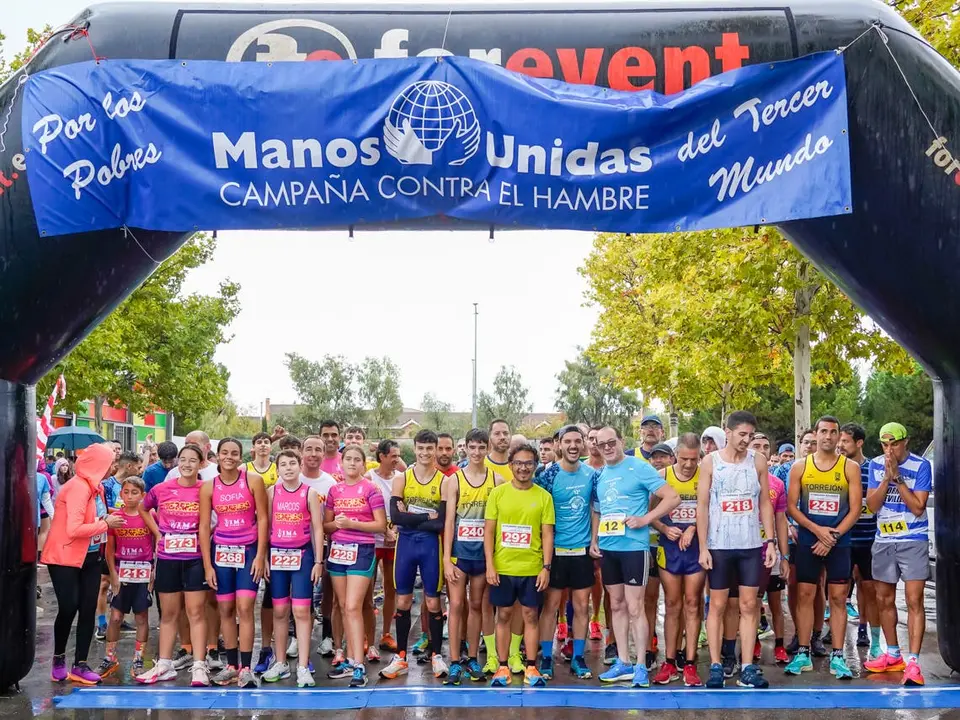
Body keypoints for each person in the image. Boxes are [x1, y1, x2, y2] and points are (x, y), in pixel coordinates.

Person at [591, 426, 680, 688]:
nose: (607, 448)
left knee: (635, 607)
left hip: (633, 548)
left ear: (621, 441)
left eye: (611, 442)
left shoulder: (639, 467)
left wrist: (646, 519)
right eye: (602, 444)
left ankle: (641, 664)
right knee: (616, 605)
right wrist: (594, 540)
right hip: (609, 547)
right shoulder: (601, 474)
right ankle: (623, 662)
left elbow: (672, 497)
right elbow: (598, 510)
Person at [697, 411, 776, 690]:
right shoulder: (711, 462)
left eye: (750, 435)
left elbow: (765, 503)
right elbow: (702, 506)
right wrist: (703, 547)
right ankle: (716, 665)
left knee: (749, 605)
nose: (746, 440)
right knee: (718, 605)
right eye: (742, 434)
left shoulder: (758, 461)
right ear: (727, 432)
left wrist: (770, 542)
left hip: (750, 545)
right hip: (719, 545)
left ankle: (747, 667)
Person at [785, 416, 862, 680]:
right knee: (805, 595)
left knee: (838, 598)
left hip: (839, 543)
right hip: (809, 541)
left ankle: (838, 656)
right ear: (816, 434)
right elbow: (792, 506)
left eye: (833, 432)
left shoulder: (850, 467)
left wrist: (832, 536)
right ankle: (803, 651)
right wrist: (818, 531)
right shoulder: (800, 467)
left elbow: (855, 509)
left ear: (839, 435)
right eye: (824, 431)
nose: (828, 436)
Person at [43, 443, 126, 685]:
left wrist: (107, 517)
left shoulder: (96, 487)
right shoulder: (78, 487)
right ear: (97, 464)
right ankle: (58, 659)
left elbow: (93, 518)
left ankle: (80, 664)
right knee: (69, 607)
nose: (113, 467)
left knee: (88, 609)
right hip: (65, 558)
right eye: (110, 462)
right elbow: (74, 529)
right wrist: (106, 523)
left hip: (91, 557)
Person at [136, 444, 211, 686]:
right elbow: (143, 508)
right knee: (168, 614)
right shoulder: (162, 488)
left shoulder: (206, 489)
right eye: (183, 459)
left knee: (195, 612)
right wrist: (158, 533)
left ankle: (199, 665)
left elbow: (214, 520)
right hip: (168, 559)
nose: (187, 464)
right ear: (178, 462)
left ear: (201, 464)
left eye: (193, 460)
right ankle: (164, 664)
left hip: (195, 559)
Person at [864, 422, 932, 686]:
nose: (889, 450)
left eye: (894, 444)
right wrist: (885, 478)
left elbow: (918, 506)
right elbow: (872, 506)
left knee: (914, 600)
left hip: (913, 538)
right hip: (884, 539)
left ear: (906, 442)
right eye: (884, 444)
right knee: (884, 599)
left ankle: (913, 661)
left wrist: (898, 478)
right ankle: (893, 654)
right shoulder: (875, 465)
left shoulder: (921, 465)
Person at [380, 430, 449, 680]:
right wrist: (425, 516)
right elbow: (397, 518)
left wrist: (411, 517)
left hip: (430, 545)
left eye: (430, 448)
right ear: (415, 448)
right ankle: (401, 657)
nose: (425, 453)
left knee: (433, 602)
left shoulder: (444, 481)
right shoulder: (402, 478)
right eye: (421, 448)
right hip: (406, 545)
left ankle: (436, 655)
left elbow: (440, 522)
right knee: (403, 601)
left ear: (435, 450)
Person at [200, 438, 269, 688]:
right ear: (217, 456)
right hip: (221, 552)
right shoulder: (209, 487)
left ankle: (246, 668)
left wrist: (260, 555)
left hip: (248, 550)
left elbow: (263, 519)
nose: (229, 457)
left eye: (234, 453)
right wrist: (207, 565)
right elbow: (204, 526)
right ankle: (231, 665)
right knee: (226, 609)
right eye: (225, 453)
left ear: (241, 457)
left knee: (245, 607)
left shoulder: (253, 481)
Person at [485, 443, 555, 688]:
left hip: (532, 569)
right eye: (518, 463)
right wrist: (490, 565)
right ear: (510, 465)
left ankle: (532, 667)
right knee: (503, 615)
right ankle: (502, 666)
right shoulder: (498, 494)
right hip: (503, 567)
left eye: (528, 463)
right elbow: (489, 532)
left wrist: (546, 567)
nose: (523, 468)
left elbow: (547, 534)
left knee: (531, 616)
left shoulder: (544, 497)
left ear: (535, 466)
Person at [534, 425, 594, 681]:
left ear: (583, 444)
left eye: (577, 441)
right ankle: (547, 657)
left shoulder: (591, 474)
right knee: (550, 606)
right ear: (559, 444)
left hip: (582, 550)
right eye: (567, 441)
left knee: (581, 606)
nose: (573, 446)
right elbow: (538, 512)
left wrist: (595, 540)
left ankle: (578, 657)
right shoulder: (548, 475)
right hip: (555, 552)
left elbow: (596, 508)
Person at [324, 445, 387, 688]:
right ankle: (350, 660)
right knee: (342, 606)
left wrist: (353, 524)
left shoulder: (371, 489)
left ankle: (359, 665)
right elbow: (326, 525)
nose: (352, 463)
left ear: (363, 463)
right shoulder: (334, 490)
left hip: (362, 550)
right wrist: (337, 525)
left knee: (353, 606)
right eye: (348, 459)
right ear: (341, 463)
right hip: (338, 551)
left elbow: (380, 525)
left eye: (356, 459)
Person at [444, 428, 504, 684]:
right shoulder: (454, 480)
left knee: (478, 605)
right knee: (457, 605)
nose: (477, 452)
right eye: (473, 447)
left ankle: (471, 658)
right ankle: (454, 661)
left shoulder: (497, 480)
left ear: (487, 448)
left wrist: (493, 560)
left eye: (481, 447)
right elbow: (449, 522)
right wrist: (446, 559)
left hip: (482, 555)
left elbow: (499, 522)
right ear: (465, 448)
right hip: (460, 554)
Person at [261, 450, 324, 687]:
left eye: (292, 463)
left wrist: (318, 562)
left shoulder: (310, 493)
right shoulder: (271, 492)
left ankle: (303, 666)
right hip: (277, 558)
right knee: (279, 611)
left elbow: (318, 529)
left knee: (301, 611)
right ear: (277, 469)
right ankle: (280, 663)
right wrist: (263, 558)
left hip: (303, 557)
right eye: (283, 464)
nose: (288, 468)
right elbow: (265, 526)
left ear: (299, 466)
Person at [651, 433, 705, 687]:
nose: (688, 464)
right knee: (672, 604)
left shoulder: (705, 476)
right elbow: (650, 513)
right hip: (670, 548)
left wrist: (693, 527)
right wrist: (664, 528)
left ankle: (690, 662)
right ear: (675, 456)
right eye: (684, 459)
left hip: (696, 548)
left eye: (694, 459)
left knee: (693, 603)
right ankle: (669, 661)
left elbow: (711, 511)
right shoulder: (662, 476)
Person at [98, 476, 160, 678]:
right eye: (126, 492)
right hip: (122, 572)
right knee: (116, 617)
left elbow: (158, 541)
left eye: (135, 493)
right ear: (121, 494)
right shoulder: (115, 517)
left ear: (143, 495)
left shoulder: (149, 514)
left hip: (143, 573)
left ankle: (138, 659)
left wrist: (154, 570)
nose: (130, 496)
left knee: (141, 617)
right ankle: (110, 657)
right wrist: (113, 575)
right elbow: (109, 550)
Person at [839, 422, 882, 660]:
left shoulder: (873, 468)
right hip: (843, 539)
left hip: (868, 538)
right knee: (838, 591)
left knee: (869, 589)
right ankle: (835, 637)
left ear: (859, 442)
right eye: (840, 441)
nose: (841, 445)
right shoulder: (837, 466)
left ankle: (871, 637)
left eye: (845, 441)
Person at [747, 432, 791, 666]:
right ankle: (752, 642)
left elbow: (781, 520)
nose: (762, 450)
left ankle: (780, 645)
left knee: (776, 602)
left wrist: (785, 556)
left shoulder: (777, 483)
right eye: (757, 446)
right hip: (747, 551)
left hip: (770, 551)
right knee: (752, 603)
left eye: (765, 446)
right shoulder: (740, 477)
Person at [366, 440, 403, 656]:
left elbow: (402, 508)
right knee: (367, 590)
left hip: (393, 540)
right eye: (393, 456)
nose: (397, 459)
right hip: (372, 541)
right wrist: (382, 530)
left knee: (391, 588)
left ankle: (386, 634)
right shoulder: (369, 478)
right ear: (382, 456)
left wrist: (394, 530)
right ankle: (366, 636)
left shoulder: (400, 479)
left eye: (398, 455)